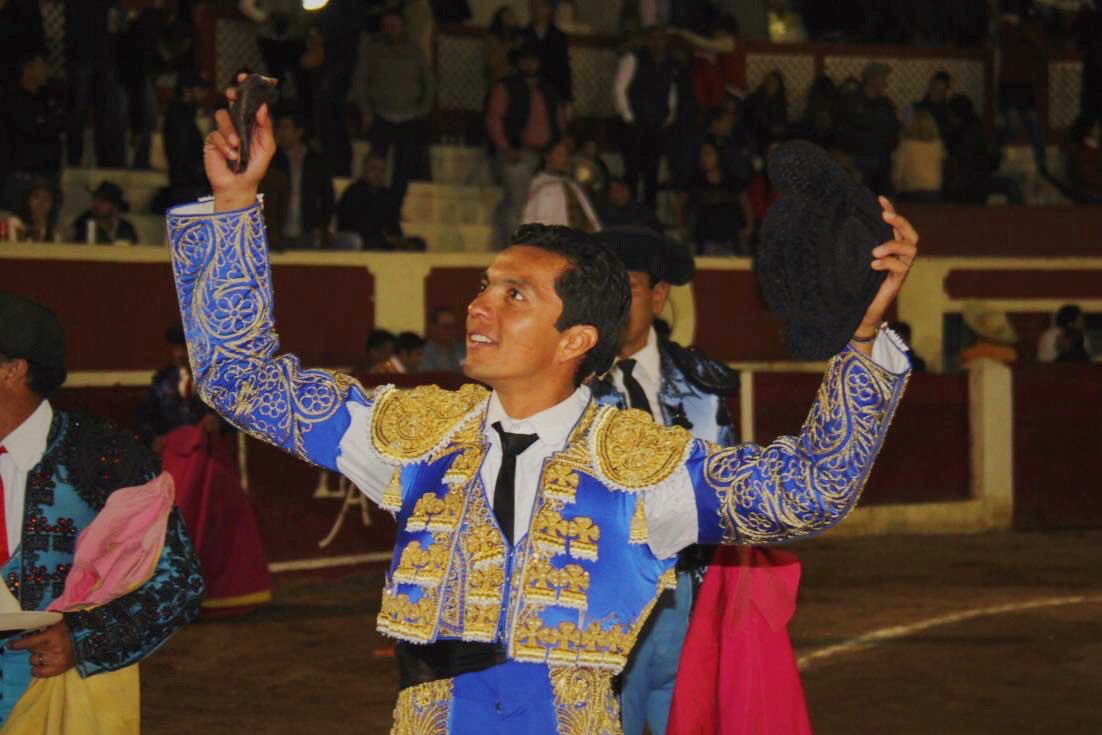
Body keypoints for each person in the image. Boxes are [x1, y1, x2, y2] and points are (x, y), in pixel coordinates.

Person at [180, 91, 914, 731]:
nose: (478, 306)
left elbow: (809, 489)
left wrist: (865, 334)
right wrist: (236, 202)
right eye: (484, 285)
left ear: (577, 338)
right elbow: (237, 377)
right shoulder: (414, 434)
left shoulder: (642, 467)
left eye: (513, 294)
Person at [0, 292, 204, 727]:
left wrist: (83, 639)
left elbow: (179, 580)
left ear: (12, 371)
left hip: (56, 695)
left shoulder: (102, 455)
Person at [586, 228, 754, 735]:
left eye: (627, 289)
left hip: (689, 596)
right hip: (598, 598)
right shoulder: (563, 384)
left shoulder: (705, 384)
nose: (611, 305)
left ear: (658, 297)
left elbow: (728, 493)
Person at [139, 324, 272, 616]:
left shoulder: (215, 380)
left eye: (185, 348)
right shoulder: (163, 380)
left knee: (215, 523)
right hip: (175, 465)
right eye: (176, 348)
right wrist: (155, 440)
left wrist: (219, 424)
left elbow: (234, 417)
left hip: (210, 464)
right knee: (176, 521)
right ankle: (174, 596)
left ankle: (216, 593)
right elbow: (148, 419)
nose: (180, 354)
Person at [485, 43, 566, 248]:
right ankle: (513, 248)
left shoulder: (549, 90)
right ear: (518, 63)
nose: (529, 64)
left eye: (533, 59)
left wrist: (561, 146)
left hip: (547, 154)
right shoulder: (506, 87)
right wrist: (505, 148)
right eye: (525, 59)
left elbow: (560, 121)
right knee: (517, 201)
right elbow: (494, 120)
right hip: (517, 152)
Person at [351, 9, 434, 203]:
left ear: (403, 27)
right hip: (381, 114)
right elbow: (360, 81)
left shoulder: (415, 51)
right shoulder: (373, 50)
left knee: (404, 166)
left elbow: (428, 83)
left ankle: (394, 205)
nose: (390, 31)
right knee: (376, 161)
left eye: (394, 26)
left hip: (409, 116)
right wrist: (366, 111)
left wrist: (422, 110)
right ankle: (370, 201)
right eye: (386, 27)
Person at [613, 25, 678, 209]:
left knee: (652, 173)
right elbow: (619, 90)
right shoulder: (633, 59)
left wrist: (669, 116)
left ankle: (649, 214)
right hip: (634, 126)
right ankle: (628, 212)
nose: (659, 43)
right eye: (655, 38)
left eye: (662, 38)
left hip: (656, 126)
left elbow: (671, 91)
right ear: (648, 40)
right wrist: (628, 118)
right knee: (632, 172)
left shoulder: (669, 64)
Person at [1, 50, 64, 214]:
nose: (46, 72)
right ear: (28, 70)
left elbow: (59, 124)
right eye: (41, 67)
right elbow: (30, 128)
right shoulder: (12, 100)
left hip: (49, 173)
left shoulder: (48, 98)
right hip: (22, 174)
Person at [270, 109, 334, 249]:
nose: (281, 132)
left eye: (286, 127)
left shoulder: (315, 161)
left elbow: (327, 197)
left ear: (299, 131)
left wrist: (322, 226)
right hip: (278, 233)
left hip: (308, 232)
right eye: (278, 128)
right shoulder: (272, 161)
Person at [944, 94, 1023, 205]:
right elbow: (985, 161)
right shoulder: (973, 131)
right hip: (972, 182)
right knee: (1011, 185)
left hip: (970, 182)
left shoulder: (959, 133)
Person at [835, 62, 900, 195]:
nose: (885, 82)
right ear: (870, 78)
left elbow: (894, 132)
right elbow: (840, 131)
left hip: (881, 163)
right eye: (882, 77)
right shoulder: (851, 102)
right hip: (856, 162)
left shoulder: (887, 105)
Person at [522, 137, 601, 232]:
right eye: (559, 154)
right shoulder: (544, 188)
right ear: (547, 157)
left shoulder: (571, 183)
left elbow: (590, 221)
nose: (565, 159)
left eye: (567, 155)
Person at [689, 142, 752, 255]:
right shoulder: (696, 183)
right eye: (702, 155)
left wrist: (749, 226)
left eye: (709, 154)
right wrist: (684, 229)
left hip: (731, 240)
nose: (705, 159)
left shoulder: (731, 181)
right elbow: (681, 205)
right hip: (706, 241)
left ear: (718, 155)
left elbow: (745, 203)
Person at [160, 69, 210, 211]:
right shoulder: (179, 115)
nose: (203, 94)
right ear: (187, 90)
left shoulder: (184, 114)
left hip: (187, 183)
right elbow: (183, 152)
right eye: (199, 89)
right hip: (186, 185)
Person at [335, 153, 405, 251]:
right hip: (356, 239)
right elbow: (350, 224)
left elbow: (393, 223)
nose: (378, 174)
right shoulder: (353, 192)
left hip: (381, 240)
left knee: (416, 244)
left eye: (382, 170)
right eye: (374, 169)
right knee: (375, 243)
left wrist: (398, 238)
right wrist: (383, 237)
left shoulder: (387, 195)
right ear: (364, 170)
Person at [521, 0, 572, 109]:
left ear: (548, 10)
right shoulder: (523, 34)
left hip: (553, 91)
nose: (535, 10)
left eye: (539, 6)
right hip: (527, 93)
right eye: (533, 6)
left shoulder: (558, 37)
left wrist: (567, 99)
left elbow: (564, 68)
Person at [892, 108, 945, 203]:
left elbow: (898, 173)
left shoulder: (906, 145)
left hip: (911, 191)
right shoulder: (937, 145)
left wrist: (897, 188)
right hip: (934, 190)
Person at [71, 182, 139, 245]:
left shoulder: (126, 227)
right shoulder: (82, 224)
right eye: (94, 199)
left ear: (115, 206)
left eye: (102, 201)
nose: (96, 204)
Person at [484, 5, 522, 87]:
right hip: (499, 79)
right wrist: (510, 45)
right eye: (508, 16)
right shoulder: (493, 38)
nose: (512, 18)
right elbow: (492, 63)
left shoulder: (520, 36)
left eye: (512, 15)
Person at [419, 307, 465, 373]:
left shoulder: (462, 350)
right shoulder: (423, 353)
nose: (451, 331)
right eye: (446, 327)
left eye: (453, 326)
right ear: (434, 328)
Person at [913, 70, 953, 140]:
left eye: (941, 90)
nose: (936, 92)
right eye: (935, 87)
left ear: (946, 91)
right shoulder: (916, 107)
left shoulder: (949, 111)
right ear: (931, 85)